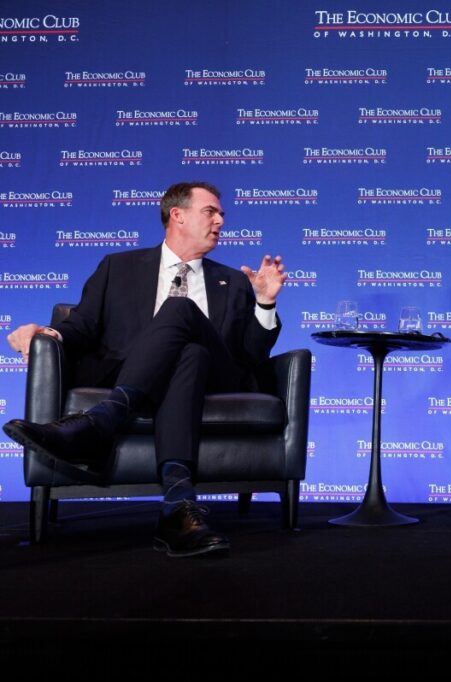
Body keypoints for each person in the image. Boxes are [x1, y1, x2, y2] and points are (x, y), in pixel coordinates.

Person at [4, 181, 287, 557]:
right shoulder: (118, 267)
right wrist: (47, 333)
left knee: (182, 310)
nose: (220, 220)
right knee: (190, 354)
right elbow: (82, 326)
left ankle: (101, 421)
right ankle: (178, 507)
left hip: (216, 380)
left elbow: (252, 354)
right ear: (177, 215)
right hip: (143, 372)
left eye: (221, 214)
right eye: (211, 212)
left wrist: (264, 303)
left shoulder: (233, 280)